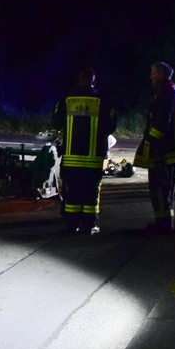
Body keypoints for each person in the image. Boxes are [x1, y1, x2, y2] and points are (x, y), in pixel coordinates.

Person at [52, 68, 118, 235]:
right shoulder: (103, 100)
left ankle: (71, 225)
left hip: (71, 156)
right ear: (93, 81)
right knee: (91, 191)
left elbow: (56, 123)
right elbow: (111, 125)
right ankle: (89, 226)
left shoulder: (66, 99)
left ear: (78, 80)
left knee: (72, 190)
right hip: (94, 157)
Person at [134, 62, 175, 234]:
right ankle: (165, 222)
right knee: (166, 189)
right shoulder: (173, 89)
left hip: (164, 149)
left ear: (161, 74)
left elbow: (161, 122)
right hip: (172, 148)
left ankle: (163, 224)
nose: (151, 76)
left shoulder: (166, 92)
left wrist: (151, 142)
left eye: (153, 73)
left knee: (159, 187)